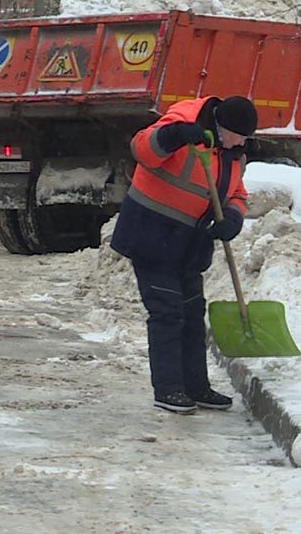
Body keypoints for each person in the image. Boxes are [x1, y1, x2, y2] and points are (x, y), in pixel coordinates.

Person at [110, 95, 256, 415]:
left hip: (190, 245)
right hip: (151, 236)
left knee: (192, 315)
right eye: (240, 136)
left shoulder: (234, 153)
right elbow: (142, 149)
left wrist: (232, 218)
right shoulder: (185, 119)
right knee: (167, 312)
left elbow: (237, 193)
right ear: (222, 126)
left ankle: (196, 386)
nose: (243, 143)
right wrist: (174, 135)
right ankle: (168, 389)